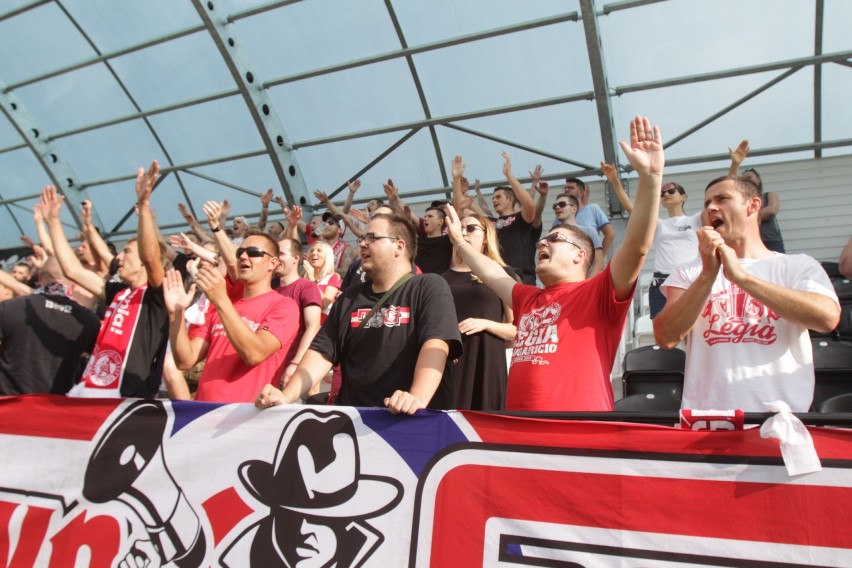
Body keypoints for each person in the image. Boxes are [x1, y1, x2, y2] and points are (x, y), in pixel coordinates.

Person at [444, 116, 664, 411]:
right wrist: (459, 242)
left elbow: (637, 247)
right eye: (541, 241)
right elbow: (490, 270)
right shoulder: (528, 298)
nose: (542, 243)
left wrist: (650, 179)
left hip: (578, 439)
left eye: (555, 239)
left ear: (580, 255)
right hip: (518, 437)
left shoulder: (598, 292)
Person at [654, 174, 840, 412]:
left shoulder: (798, 265)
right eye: (707, 203)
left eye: (722, 199)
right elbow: (666, 336)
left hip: (782, 420)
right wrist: (708, 275)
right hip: (708, 420)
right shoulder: (690, 272)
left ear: (753, 205)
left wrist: (742, 277)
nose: (711, 207)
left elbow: (827, 318)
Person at [255, 212, 462, 414]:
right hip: (355, 423)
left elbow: (436, 343)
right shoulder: (348, 298)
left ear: (399, 246)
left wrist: (416, 398)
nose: (362, 243)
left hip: (410, 424)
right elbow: (321, 352)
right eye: (363, 238)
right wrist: (286, 396)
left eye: (372, 238)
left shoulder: (429, 286)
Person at [46, 164, 170, 399]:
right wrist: (53, 222)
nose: (120, 257)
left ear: (143, 261)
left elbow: (152, 258)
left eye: (128, 252)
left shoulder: (156, 295)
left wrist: (143, 205)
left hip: (127, 396)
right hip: (91, 389)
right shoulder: (119, 292)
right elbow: (72, 270)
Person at [166, 232, 299, 403]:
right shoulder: (220, 305)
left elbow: (254, 353)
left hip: (246, 418)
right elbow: (185, 360)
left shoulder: (284, 306)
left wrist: (221, 300)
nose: (243, 256)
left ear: (273, 262)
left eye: (253, 252)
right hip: (204, 414)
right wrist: (175, 314)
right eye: (240, 253)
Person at [605, 162, 701, 318]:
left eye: (671, 191)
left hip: (689, 280)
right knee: (663, 337)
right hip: (661, 283)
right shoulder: (659, 225)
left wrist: (734, 165)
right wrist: (614, 180)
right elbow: (633, 209)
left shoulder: (695, 221)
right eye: (663, 193)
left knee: (693, 330)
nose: (666, 194)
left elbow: (721, 201)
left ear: (684, 197)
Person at [442, 213, 516, 410]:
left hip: (488, 361)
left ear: (486, 237)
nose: (463, 232)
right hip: (452, 363)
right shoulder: (441, 280)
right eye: (460, 228)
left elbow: (519, 330)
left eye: (471, 228)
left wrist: (486, 323)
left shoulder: (503, 274)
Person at [0, 257, 101, 395]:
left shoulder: (9, 308)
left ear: (40, 277)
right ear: (75, 282)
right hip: (57, 407)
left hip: (10, 403)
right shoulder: (88, 320)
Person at [275, 237, 322, 386]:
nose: (275, 258)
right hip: (268, 370)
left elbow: (313, 326)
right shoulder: (271, 291)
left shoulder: (306, 287)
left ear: (296, 258)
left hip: (289, 372)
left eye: (281, 254)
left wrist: (295, 364)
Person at [728, 140, 786, 253]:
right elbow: (731, 185)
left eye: (749, 177)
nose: (747, 181)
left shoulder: (769, 195)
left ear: (759, 179)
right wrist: (735, 165)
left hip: (771, 241)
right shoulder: (742, 199)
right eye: (744, 179)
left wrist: (744, 217)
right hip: (749, 242)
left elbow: (772, 210)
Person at [560, 177, 615, 263]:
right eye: (565, 188)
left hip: (587, 265)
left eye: (570, 188)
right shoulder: (560, 215)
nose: (566, 190)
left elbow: (610, 234)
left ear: (581, 192)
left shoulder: (593, 209)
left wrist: (597, 260)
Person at [551, 193, 604, 276]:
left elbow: (599, 261)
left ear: (574, 209)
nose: (557, 207)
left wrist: (587, 283)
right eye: (555, 206)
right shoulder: (553, 235)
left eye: (562, 204)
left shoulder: (589, 231)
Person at [304, 240, 342, 320]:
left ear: (327, 256)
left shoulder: (333, 277)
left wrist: (312, 280)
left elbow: (324, 303)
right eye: (311, 250)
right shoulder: (304, 278)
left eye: (319, 250)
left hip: (323, 324)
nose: (314, 253)